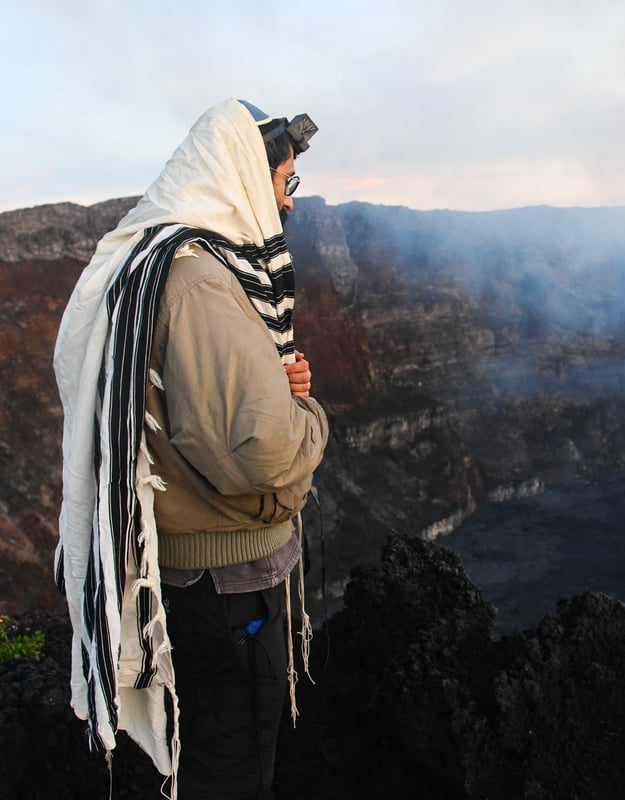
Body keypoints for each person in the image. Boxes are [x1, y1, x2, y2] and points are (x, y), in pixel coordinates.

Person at [53, 98, 328, 799]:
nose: (288, 204)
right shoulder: (200, 279)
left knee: (207, 749)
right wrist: (308, 415)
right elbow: (260, 451)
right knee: (232, 763)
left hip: (188, 578)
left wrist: (270, 380)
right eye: (283, 183)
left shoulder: (154, 257)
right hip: (226, 585)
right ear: (242, 173)